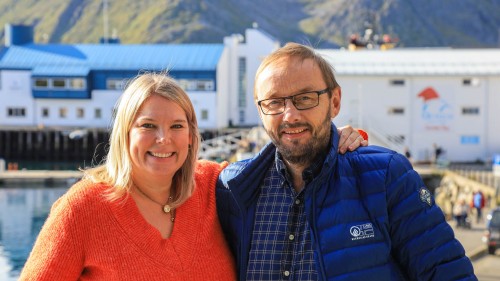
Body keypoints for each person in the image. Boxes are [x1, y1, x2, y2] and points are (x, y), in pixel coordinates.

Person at [19, 72, 366, 280]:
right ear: (125, 133)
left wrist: (337, 141)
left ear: (191, 135)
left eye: (176, 126)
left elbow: (291, 168)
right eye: (148, 126)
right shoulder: (81, 210)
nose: (163, 139)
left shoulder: (215, 186)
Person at [216, 43, 477, 280]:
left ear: (335, 102)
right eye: (274, 102)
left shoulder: (386, 177)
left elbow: (448, 273)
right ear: (260, 110)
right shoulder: (233, 188)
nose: (290, 115)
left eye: (305, 98)